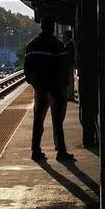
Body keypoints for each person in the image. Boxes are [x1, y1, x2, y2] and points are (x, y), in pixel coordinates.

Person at [23, 17, 74, 163]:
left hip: (40, 89)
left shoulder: (32, 45)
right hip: (56, 89)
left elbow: (27, 69)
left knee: (38, 121)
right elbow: (63, 67)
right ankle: (61, 151)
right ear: (52, 28)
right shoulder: (57, 45)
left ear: (42, 27)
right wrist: (64, 86)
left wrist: (35, 84)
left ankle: (36, 151)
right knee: (57, 122)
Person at [61, 29, 76, 102]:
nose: (62, 39)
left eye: (63, 37)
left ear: (67, 37)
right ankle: (70, 94)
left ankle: (70, 95)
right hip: (69, 64)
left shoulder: (69, 45)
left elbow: (67, 56)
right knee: (70, 79)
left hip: (69, 64)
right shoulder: (70, 44)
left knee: (69, 80)